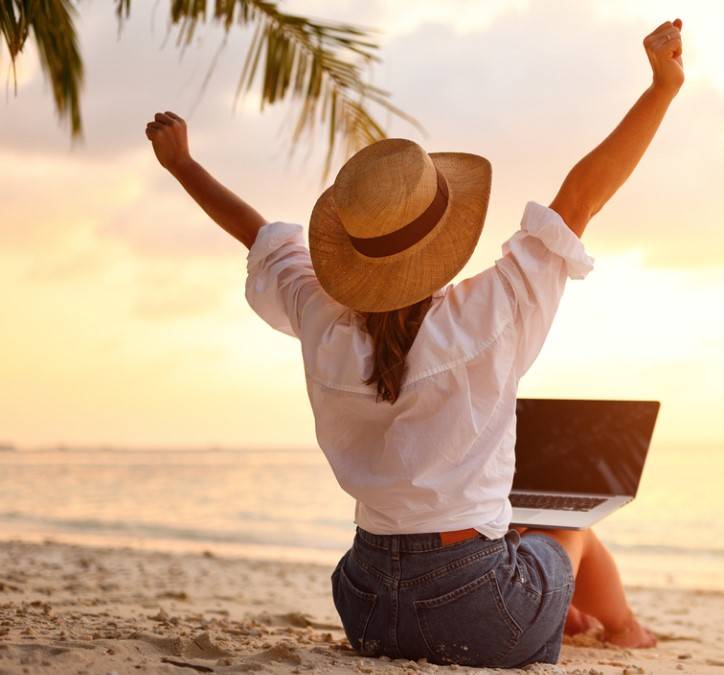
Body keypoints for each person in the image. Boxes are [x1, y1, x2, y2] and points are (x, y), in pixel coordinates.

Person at [143, 17, 684, 669]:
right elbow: (581, 197)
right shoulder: (493, 308)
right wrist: (663, 87)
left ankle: (548, 612)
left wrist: (181, 164)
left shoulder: (321, 315)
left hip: (367, 601)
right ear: (443, 246)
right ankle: (626, 634)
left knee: (517, 551)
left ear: (354, 255)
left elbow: (256, 234)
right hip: (471, 604)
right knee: (569, 532)